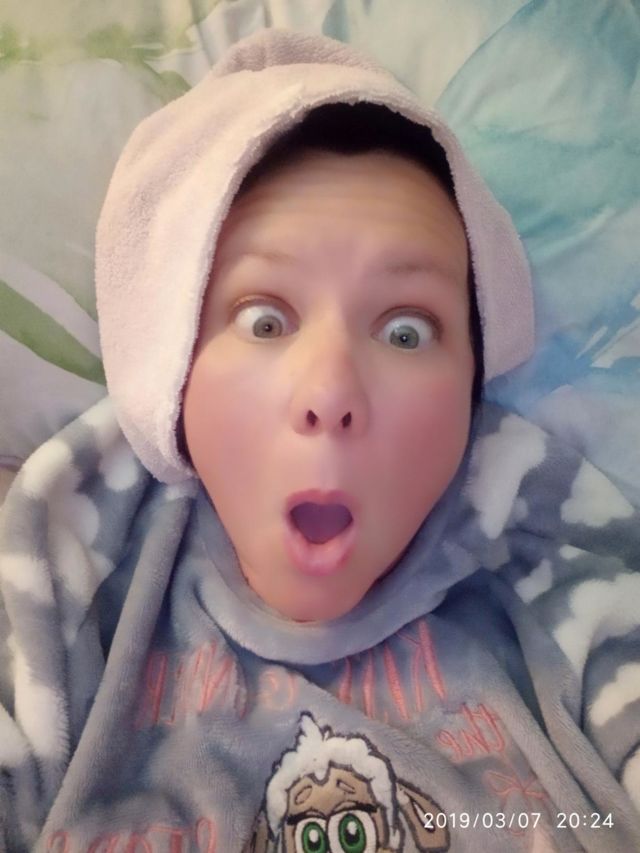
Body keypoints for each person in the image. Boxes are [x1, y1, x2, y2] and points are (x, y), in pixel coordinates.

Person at [1, 27, 639, 853]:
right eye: (265, 321)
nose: (331, 392)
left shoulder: (542, 553)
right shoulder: (73, 566)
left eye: (406, 332)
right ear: (170, 369)